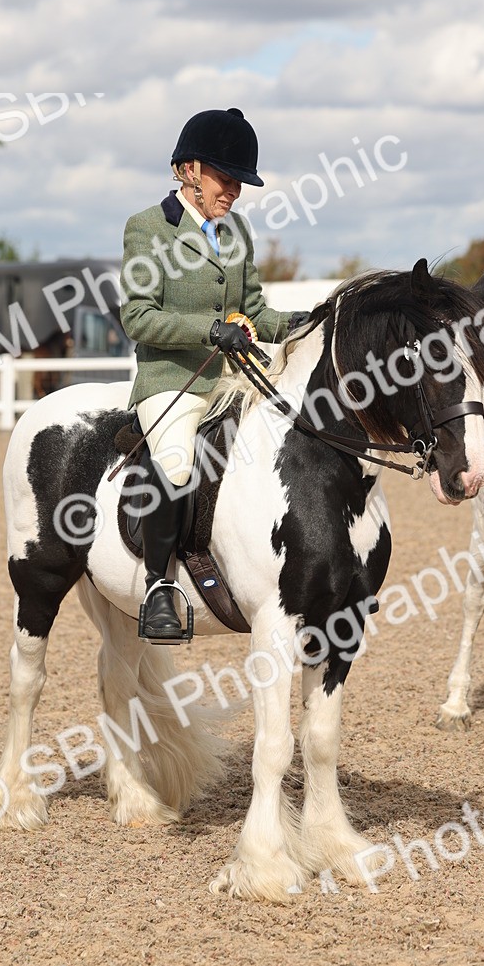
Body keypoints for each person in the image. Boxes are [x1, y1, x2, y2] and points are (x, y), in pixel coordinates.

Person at [120, 107, 310, 641]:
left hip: (236, 377)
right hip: (174, 381)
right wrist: (210, 329)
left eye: (239, 183)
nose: (234, 192)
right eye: (226, 179)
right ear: (189, 170)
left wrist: (300, 324)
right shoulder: (148, 228)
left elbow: (254, 311)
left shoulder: (238, 231)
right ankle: (159, 589)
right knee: (178, 463)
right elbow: (137, 315)